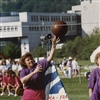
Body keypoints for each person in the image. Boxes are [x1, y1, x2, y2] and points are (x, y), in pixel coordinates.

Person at [19, 35, 60, 100]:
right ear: (24, 63)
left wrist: (53, 46)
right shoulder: (24, 70)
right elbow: (23, 80)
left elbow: (50, 57)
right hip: (28, 93)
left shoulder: (39, 65)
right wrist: (34, 72)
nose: (30, 60)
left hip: (39, 94)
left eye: (31, 58)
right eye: (28, 60)